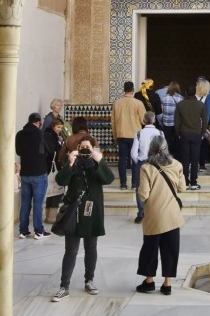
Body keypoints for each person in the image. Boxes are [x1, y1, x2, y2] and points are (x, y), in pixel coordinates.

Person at [51, 134, 115, 300]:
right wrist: (70, 163)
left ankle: (89, 280)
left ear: (93, 149)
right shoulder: (74, 162)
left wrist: (99, 161)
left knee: (91, 248)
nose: (85, 150)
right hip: (75, 212)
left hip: (92, 212)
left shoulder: (96, 163)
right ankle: (64, 286)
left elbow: (108, 179)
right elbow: (61, 180)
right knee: (71, 250)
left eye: (88, 147)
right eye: (82, 147)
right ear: (77, 148)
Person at [135, 134, 186, 296]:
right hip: (172, 214)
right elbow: (182, 188)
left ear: (151, 149)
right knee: (171, 249)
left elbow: (143, 194)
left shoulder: (146, 168)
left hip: (154, 215)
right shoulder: (177, 165)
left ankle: (149, 281)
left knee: (150, 248)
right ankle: (167, 284)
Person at [16, 112, 51, 239]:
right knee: (38, 203)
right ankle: (38, 231)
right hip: (39, 173)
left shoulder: (19, 134)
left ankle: (23, 231)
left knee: (25, 203)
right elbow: (48, 151)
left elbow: (18, 151)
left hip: (25, 173)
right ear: (37, 122)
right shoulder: (39, 133)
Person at [111, 80, 146, 189]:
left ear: (124, 90)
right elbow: (144, 120)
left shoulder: (116, 103)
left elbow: (113, 122)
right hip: (135, 135)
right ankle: (135, 184)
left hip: (121, 134)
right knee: (135, 159)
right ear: (133, 90)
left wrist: (115, 136)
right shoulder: (138, 103)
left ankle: (123, 184)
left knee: (122, 159)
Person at [174, 86, 208, 189]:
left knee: (185, 159)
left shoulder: (180, 104)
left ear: (185, 93)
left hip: (184, 134)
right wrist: (202, 134)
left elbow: (177, 121)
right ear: (195, 93)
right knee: (194, 159)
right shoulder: (200, 105)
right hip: (196, 134)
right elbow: (205, 121)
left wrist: (178, 134)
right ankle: (193, 182)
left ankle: (185, 181)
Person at [131, 112, 161, 222]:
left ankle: (141, 213)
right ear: (154, 121)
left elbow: (134, 152)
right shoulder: (160, 133)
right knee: (156, 187)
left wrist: (138, 161)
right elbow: (164, 150)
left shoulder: (139, 133)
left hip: (142, 162)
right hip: (156, 163)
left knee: (140, 188)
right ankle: (154, 213)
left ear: (143, 121)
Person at [159, 81, 183, 159]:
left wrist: (161, 122)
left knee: (167, 141)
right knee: (177, 142)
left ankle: (167, 157)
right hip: (177, 124)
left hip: (166, 123)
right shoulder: (181, 98)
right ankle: (176, 158)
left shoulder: (164, 98)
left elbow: (161, 112)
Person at [195, 78, 210, 170]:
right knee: (203, 145)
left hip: (196, 125)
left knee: (198, 145)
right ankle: (202, 164)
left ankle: (196, 163)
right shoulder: (209, 98)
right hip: (205, 125)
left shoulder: (194, 97)